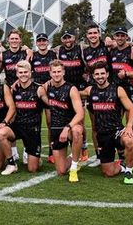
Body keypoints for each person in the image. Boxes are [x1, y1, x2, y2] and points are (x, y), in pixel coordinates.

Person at [81, 62, 133, 185]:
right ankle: (122, 166)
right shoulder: (89, 90)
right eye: (97, 74)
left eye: (102, 73)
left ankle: (129, 170)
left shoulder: (118, 90)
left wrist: (128, 126)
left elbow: (131, 109)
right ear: (93, 76)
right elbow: (73, 93)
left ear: (107, 74)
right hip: (102, 135)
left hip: (117, 131)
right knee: (108, 173)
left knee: (129, 140)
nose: (100, 76)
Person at [38, 60, 84, 182]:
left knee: (77, 131)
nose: (57, 74)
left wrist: (67, 127)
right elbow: (37, 90)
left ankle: (74, 167)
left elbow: (80, 113)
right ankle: (75, 156)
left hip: (70, 126)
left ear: (63, 72)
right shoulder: (47, 87)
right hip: (55, 128)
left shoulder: (71, 88)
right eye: (54, 72)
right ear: (50, 73)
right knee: (61, 171)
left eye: (59, 71)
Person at [106, 27, 133, 148]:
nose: (120, 38)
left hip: (131, 91)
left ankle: (131, 160)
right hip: (116, 93)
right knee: (114, 125)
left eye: (122, 35)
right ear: (114, 37)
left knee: (132, 125)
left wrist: (127, 74)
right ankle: (120, 156)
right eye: (117, 35)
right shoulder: (112, 51)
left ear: (126, 37)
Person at [55, 29, 88, 161]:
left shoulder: (81, 48)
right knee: (65, 119)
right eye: (65, 38)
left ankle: (83, 147)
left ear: (74, 38)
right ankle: (70, 148)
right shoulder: (57, 50)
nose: (67, 40)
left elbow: (100, 44)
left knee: (80, 121)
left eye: (70, 38)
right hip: (64, 90)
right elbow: (40, 49)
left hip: (79, 90)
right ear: (62, 39)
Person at [82, 23, 112, 167]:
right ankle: (99, 155)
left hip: (109, 91)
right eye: (90, 33)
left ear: (99, 34)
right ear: (87, 36)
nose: (93, 35)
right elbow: (86, 71)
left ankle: (118, 156)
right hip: (93, 92)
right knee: (95, 126)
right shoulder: (85, 51)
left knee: (112, 124)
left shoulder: (107, 47)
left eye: (95, 33)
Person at [9, 60, 43, 173]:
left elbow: (50, 105)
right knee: (1, 133)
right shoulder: (14, 90)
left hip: (33, 129)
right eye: (20, 72)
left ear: (30, 73)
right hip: (18, 127)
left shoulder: (39, 89)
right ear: (17, 74)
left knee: (33, 169)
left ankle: (36, 158)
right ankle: (11, 162)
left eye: (25, 72)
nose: (23, 74)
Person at [31, 33, 56, 163]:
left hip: (49, 92)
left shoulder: (53, 55)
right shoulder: (32, 55)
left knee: (51, 123)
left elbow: (57, 71)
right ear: (36, 43)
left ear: (47, 42)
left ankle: (52, 152)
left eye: (44, 40)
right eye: (39, 40)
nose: (41, 42)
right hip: (35, 93)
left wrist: (46, 85)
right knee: (35, 124)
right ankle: (35, 151)